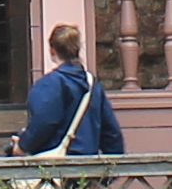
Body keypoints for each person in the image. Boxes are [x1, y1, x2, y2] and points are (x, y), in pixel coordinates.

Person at [18, 24, 124, 158]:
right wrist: (114, 165)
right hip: (88, 166)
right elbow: (111, 131)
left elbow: (44, 123)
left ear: (52, 50)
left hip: (55, 168)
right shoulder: (93, 85)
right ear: (78, 49)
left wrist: (23, 145)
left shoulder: (49, 84)